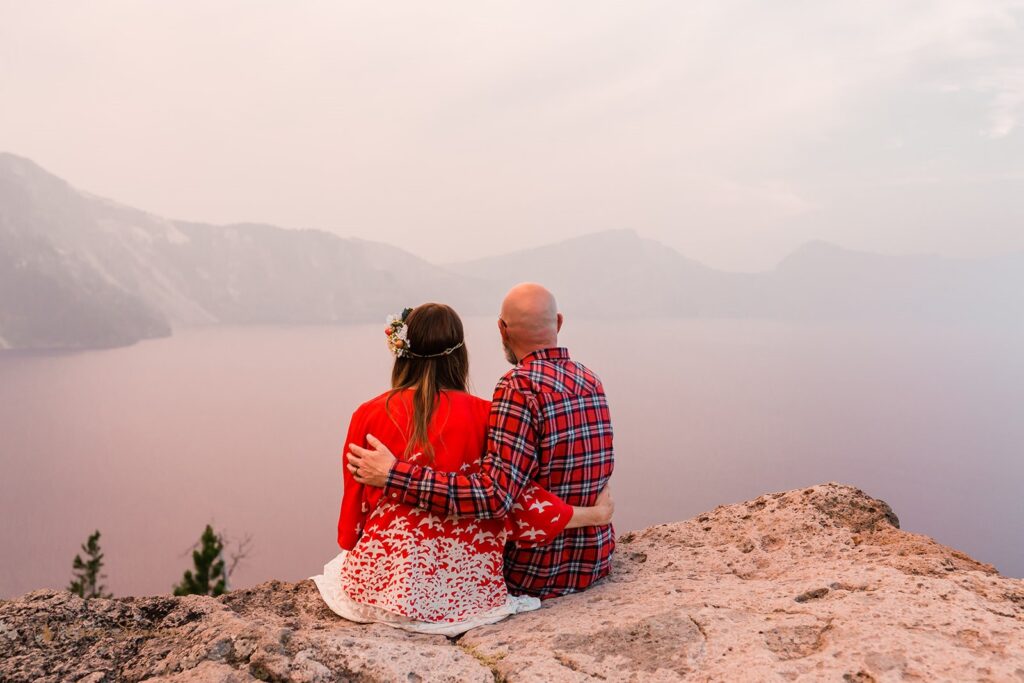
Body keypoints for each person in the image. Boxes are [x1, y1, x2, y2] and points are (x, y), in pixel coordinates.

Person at [310, 302, 612, 636]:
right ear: (459, 354)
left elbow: (355, 510)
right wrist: (591, 515)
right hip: (467, 591)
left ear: (401, 352)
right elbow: (519, 501)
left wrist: (351, 541)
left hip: (381, 588)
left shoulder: (368, 414)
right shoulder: (487, 415)